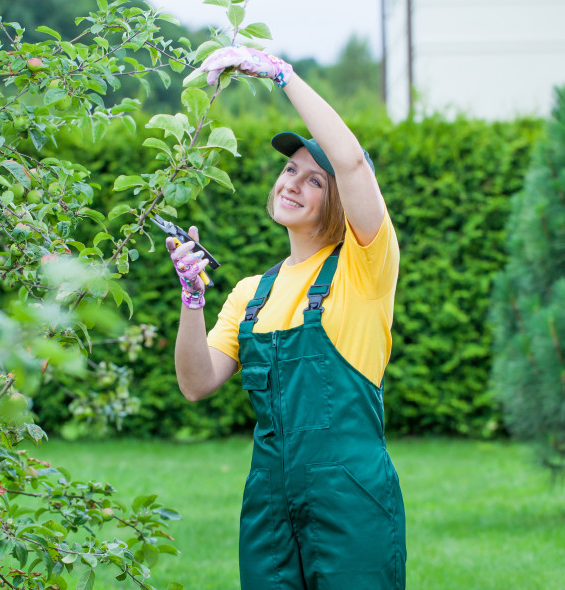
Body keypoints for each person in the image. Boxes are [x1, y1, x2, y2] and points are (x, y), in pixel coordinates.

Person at [165, 46, 406, 589]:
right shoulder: (252, 293)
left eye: (314, 181)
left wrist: (283, 76)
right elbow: (196, 383)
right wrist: (192, 300)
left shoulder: (365, 266)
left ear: (339, 200)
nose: (292, 183)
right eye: (290, 170)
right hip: (269, 505)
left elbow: (352, 161)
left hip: (350, 499)